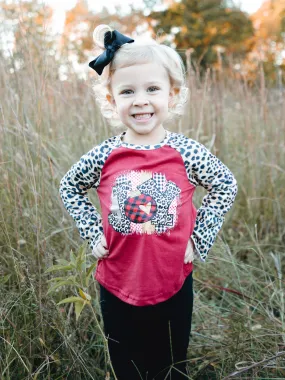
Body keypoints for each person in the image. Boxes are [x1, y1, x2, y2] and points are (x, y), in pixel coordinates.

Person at [59, 25, 238, 380]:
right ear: (112, 100)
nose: (141, 100)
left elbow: (225, 185)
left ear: (171, 96)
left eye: (152, 89)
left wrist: (198, 239)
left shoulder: (185, 151)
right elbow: (70, 186)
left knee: (170, 364)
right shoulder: (105, 155)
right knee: (127, 364)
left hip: (172, 280)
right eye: (128, 91)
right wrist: (93, 232)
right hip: (116, 281)